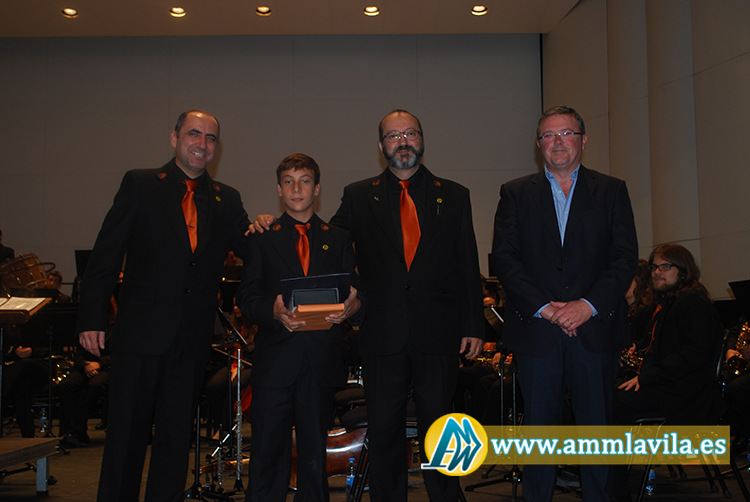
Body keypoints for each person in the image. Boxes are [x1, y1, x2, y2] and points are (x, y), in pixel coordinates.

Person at [253, 110, 485, 502]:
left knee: (442, 430)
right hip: (382, 331)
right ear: (381, 146)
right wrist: (272, 224)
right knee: (385, 430)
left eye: (410, 133)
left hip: (439, 332)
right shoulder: (359, 195)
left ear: (422, 139)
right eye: (394, 136)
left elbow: (467, 262)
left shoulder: (455, 194)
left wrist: (473, 324)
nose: (403, 141)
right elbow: (325, 244)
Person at [75, 110, 250, 502]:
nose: (202, 144)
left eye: (210, 138)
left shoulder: (227, 199)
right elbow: (106, 254)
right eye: (193, 134)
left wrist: (274, 226)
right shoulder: (140, 184)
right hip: (139, 335)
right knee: (126, 437)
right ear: (174, 138)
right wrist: (91, 317)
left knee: (174, 442)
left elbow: (254, 251)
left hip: (190, 341)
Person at [491, 105, 638, 502]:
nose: (557, 142)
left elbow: (624, 258)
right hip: (537, 332)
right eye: (548, 135)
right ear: (538, 145)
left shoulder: (612, 190)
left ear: (583, 140)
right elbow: (504, 259)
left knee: (597, 435)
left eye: (566, 133)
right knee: (540, 436)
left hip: (595, 330)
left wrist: (585, 306)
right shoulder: (514, 193)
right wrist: (549, 309)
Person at [238, 153, 363, 502]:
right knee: (266, 455)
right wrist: (273, 310)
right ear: (279, 189)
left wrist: (354, 305)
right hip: (275, 362)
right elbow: (246, 296)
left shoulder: (338, 238)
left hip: (320, 364)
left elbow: (356, 290)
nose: (297, 188)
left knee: (313, 458)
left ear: (317, 189)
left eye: (305, 181)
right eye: (289, 181)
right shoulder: (262, 237)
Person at [610, 244, 724, 501]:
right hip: (669, 387)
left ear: (683, 270)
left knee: (608, 401)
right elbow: (661, 346)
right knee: (601, 393)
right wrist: (637, 355)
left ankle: (612, 486)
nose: (656, 272)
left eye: (665, 266)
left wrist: (646, 376)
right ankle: (603, 478)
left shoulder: (692, 303)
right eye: (654, 267)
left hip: (685, 396)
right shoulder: (671, 302)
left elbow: (692, 357)